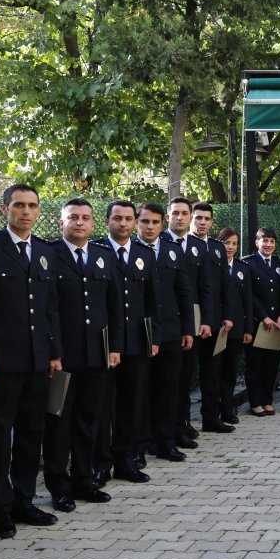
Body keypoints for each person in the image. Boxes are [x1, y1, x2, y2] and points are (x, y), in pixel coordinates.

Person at [0, 183, 62, 538]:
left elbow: (50, 307)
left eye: (32, 205)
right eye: (18, 205)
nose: (25, 211)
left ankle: (24, 500)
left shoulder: (45, 250)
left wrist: (54, 353)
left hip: (37, 360)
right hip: (0, 363)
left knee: (30, 434)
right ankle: (0, 507)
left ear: (39, 211)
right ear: (4, 209)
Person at [42, 199, 122, 515]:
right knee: (58, 424)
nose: (79, 222)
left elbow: (115, 307)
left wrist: (114, 347)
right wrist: (53, 351)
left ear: (93, 224)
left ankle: (84, 481)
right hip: (62, 357)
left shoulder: (104, 256)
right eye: (73, 217)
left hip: (96, 354)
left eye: (85, 218)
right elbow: (46, 308)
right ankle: (59, 488)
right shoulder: (49, 254)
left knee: (89, 421)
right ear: (61, 222)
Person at [91, 201, 159, 490]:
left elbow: (153, 300)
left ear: (134, 222)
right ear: (107, 221)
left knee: (132, 403)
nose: (123, 223)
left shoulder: (145, 254)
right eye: (117, 218)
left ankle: (125, 461)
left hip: (136, 341)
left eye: (128, 219)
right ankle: (100, 465)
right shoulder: (96, 251)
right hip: (104, 342)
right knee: (101, 406)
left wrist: (154, 338)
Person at [134, 202, 194, 477]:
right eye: (145, 221)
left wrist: (188, 329)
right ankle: (138, 446)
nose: (150, 227)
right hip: (140, 333)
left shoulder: (173, 251)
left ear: (162, 223)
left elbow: (184, 292)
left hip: (170, 331)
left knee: (168, 390)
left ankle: (165, 442)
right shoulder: (129, 251)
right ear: (137, 222)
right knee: (139, 392)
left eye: (155, 222)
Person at [163, 198, 219, 438]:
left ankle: (182, 423)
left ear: (189, 217)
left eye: (184, 213)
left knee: (185, 374)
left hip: (191, 319)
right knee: (167, 378)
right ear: (168, 216)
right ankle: (166, 430)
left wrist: (205, 320)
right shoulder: (158, 243)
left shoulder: (198, 246)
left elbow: (206, 287)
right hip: (165, 320)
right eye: (175, 213)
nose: (180, 217)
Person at [190, 202, 237, 426]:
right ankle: (184, 424)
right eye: (198, 218)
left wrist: (228, 315)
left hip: (215, 319)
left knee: (213, 371)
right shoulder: (183, 244)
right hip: (191, 318)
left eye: (207, 219)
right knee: (187, 374)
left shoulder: (218, 248)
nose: (202, 222)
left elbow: (226, 285)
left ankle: (211, 418)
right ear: (191, 219)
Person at [244, 228, 280, 417]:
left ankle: (267, 401)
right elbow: (249, 295)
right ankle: (255, 402)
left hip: (277, 325)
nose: (268, 244)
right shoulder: (248, 263)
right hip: (257, 323)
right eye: (265, 240)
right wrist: (263, 317)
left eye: (272, 241)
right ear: (257, 242)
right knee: (255, 365)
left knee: (272, 365)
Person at [216, 228, 255, 420]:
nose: (230, 247)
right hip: (216, 327)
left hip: (237, 328)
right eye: (226, 243)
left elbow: (248, 301)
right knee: (214, 370)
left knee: (231, 371)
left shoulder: (242, 268)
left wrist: (248, 329)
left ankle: (227, 407)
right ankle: (213, 409)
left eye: (234, 243)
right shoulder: (212, 265)